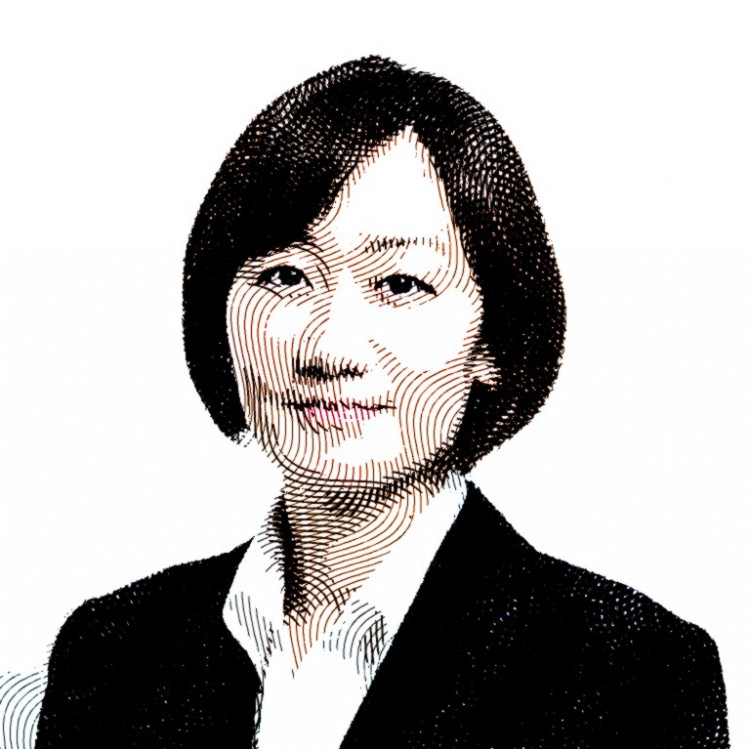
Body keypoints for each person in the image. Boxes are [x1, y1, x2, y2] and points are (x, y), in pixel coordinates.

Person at [36, 56, 729, 748]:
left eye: (401, 284)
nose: (329, 347)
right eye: (286, 276)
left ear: (494, 339)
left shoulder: (633, 674)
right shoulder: (110, 652)